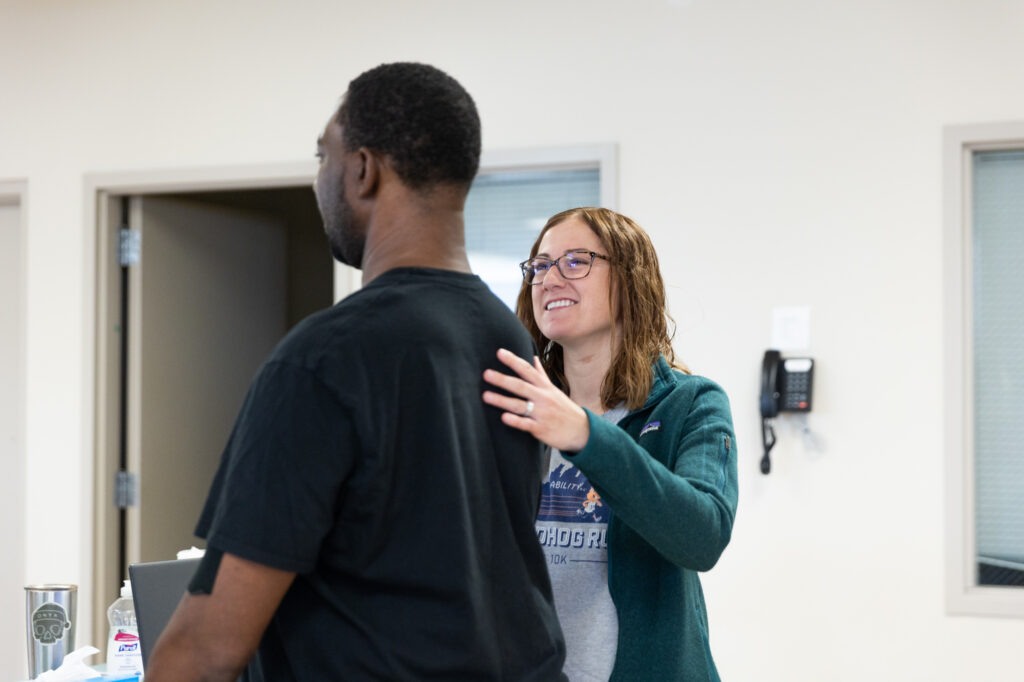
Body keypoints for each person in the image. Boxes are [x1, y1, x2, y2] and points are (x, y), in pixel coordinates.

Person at [146, 62, 566, 682]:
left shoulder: (326, 356)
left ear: (363, 170)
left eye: (325, 157)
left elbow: (208, 648)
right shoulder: (508, 340)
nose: (320, 180)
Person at [482, 207, 738, 681]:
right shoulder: (513, 410)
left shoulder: (690, 403)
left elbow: (702, 537)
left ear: (630, 279)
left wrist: (586, 434)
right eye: (540, 266)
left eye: (576, 261)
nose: (550, 279)